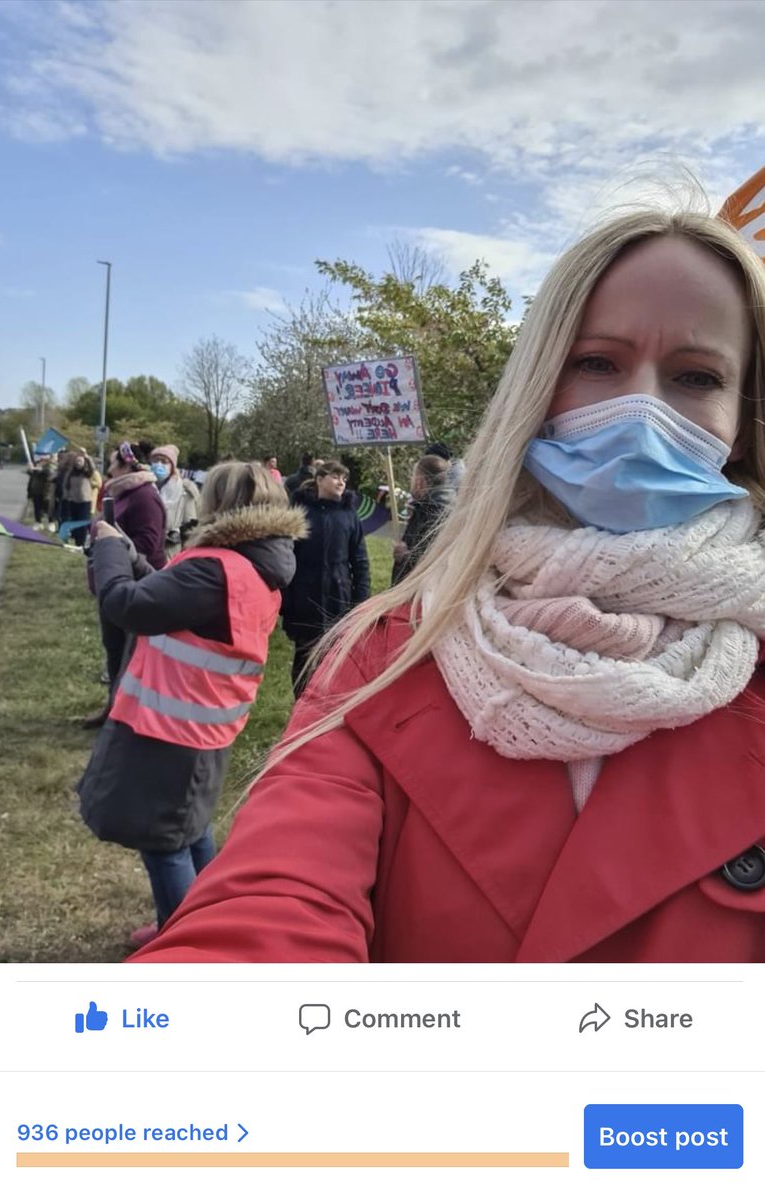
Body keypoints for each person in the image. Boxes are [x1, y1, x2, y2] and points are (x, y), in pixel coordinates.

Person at [131, 206, 765, 965]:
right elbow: (268, 909)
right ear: (535, 389)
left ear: (743, 425)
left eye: (697, 376)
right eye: (596, 362)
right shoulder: (384, 655)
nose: (641, 412)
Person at [78, 461, 306, 948]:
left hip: (171, 731)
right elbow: (163, 595)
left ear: (219, 504)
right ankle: (201, 923)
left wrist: (107, 549)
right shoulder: (250, 563)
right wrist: (132, 556)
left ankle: (187, 947)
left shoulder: (214, 569)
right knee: (190, 830)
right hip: (199, 726)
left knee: (165, 844)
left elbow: (127, 605)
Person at [82, 442, 167, 729]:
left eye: (113, 463)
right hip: (114, 582)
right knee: (114, 649)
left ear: (127, 465)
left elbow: (148, 543)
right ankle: (112, 709)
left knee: (127, 654)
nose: (108, 469)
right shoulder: (122, 492)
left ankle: (123, 716)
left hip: (132, 586)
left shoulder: (144, 496)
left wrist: (111, 546)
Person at [281, 460, 370, 697]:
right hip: (304, 598)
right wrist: (287, 599)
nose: (341, 482)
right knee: (304, 657)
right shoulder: (299, 512)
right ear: (320, 479)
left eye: (344, 478)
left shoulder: (349, 516)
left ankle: (323, 708)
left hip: (337, 598)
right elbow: (287, 557)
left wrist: (360, 601)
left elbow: (360, 561)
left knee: (332, 659)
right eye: (335, 476)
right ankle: (300, 703)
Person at [391, 454, 455, 585]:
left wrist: (404, 556)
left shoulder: (434, 512)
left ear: (420, 481)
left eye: (413, 477)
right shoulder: (433, 507)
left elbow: (432, 561)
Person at [149, 444, 201, 559]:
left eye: (164, 461)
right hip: (148, 548)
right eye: (155, 460)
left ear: (172, 466)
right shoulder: (146, 487)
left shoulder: (185, 491)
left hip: (172, 552)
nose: (159, 464)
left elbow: (191, 525)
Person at [64, 452, 96, 545]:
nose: (78, 463)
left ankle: (81, 543)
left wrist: (87, 457)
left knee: (82, 523)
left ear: (84, 462)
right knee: (74, 521)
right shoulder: (71, 473)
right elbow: (66, 485)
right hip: (73, 501)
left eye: (80, 461)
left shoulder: (87, 473)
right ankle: (77, 542)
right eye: (77, 461)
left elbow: (92, 468)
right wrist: (67, 495)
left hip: (84, 502)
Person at [26, 456, 56, 527]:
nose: (42, 460)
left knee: (48, 507)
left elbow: (48, 473)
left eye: (44, 459)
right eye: (41, 459)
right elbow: (30, 473)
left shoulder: (51, 466)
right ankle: (38, 522)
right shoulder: (37, 465)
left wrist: (36, 469)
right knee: (37, 507)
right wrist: (30, 468)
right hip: (36, 490)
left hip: (47, 491)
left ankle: (51, 523)